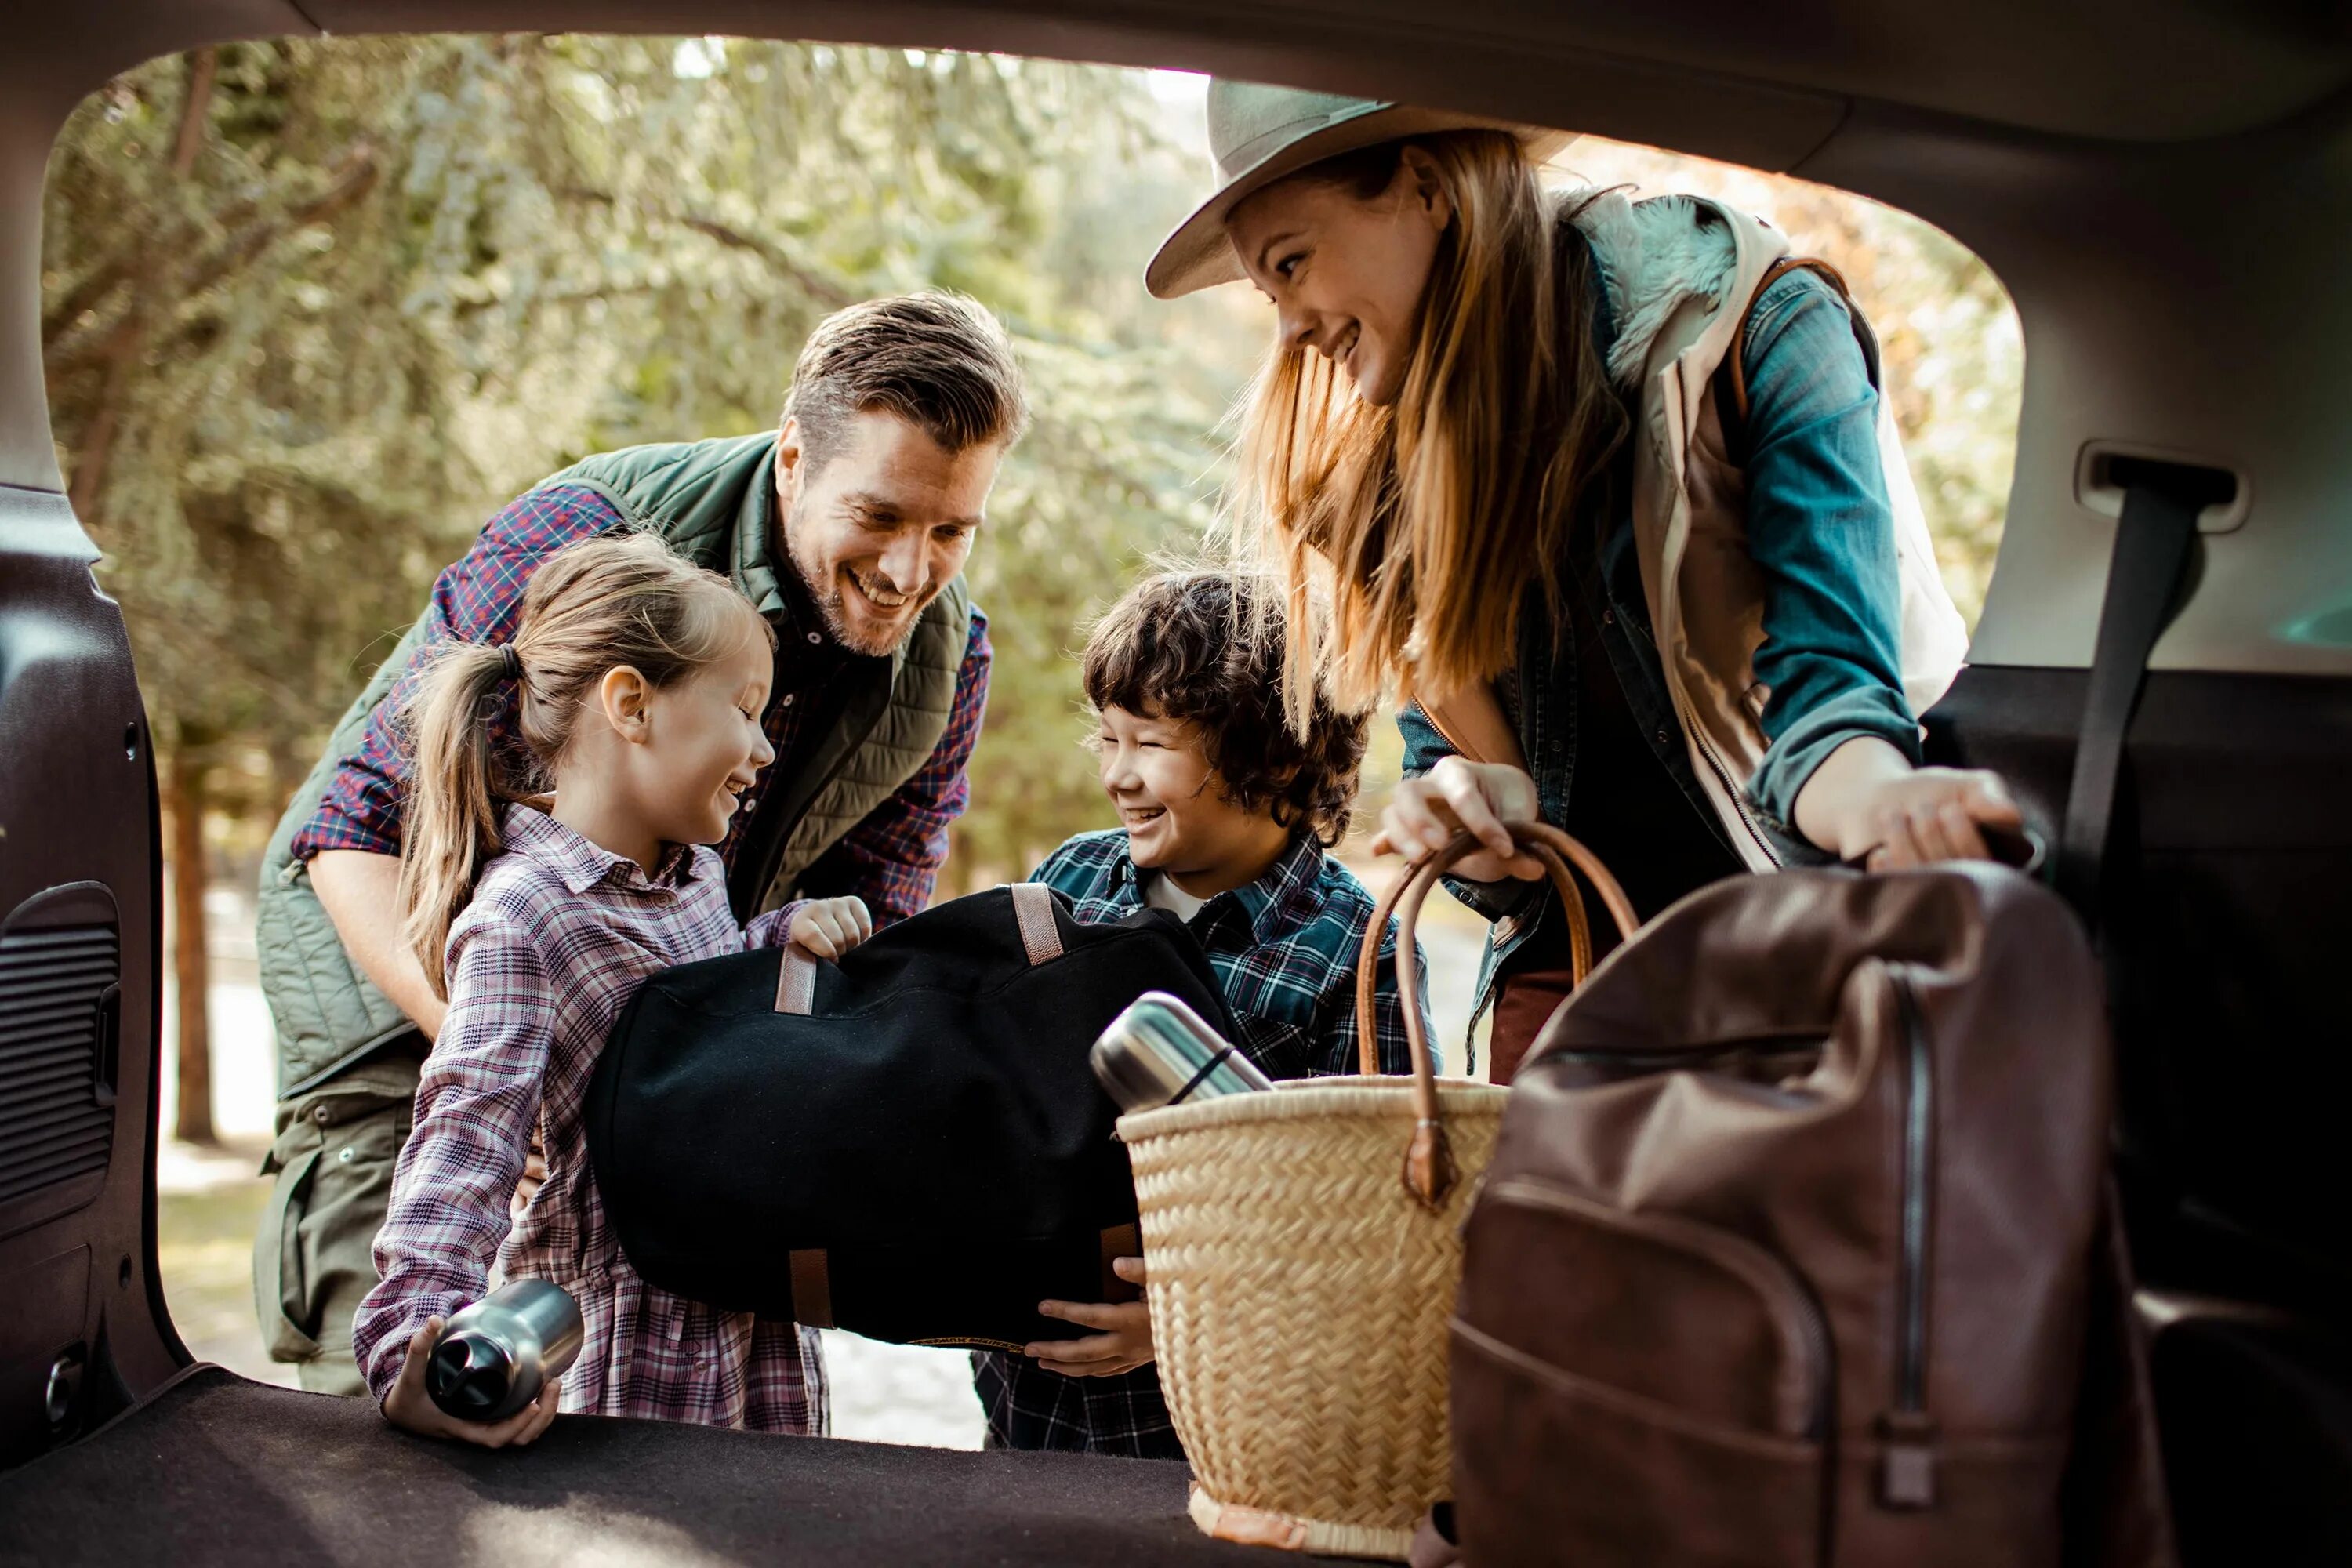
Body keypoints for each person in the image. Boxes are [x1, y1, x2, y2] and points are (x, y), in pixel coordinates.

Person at [1145, 82, 2023, 1074]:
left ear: (1427, 186)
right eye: (1272, 296)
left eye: (1293, 264)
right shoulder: (1385, 493)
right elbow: (1499, 837)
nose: (1292, 331)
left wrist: (1890, 808)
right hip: (1579, 1001)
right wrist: (1463, 810)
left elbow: (1837, 708)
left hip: (1802, 960)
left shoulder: (1758, 325)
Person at [252, 292, 1025, 1395]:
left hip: (649, 1038)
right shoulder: (587, 526)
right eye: (883, 516)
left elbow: (864, 953)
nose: (911, 570)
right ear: (795, 458)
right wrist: (527, 1080)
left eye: (953, 531)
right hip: (408, 990)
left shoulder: (949, 666)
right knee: (401, 1412)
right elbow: (352, 828)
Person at [350, 532, 870, 1444]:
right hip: (630, 1365)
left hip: (751, 1340)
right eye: (746, 710)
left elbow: (689, 1020)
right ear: (631, 703)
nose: (762, 748)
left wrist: (774, 944)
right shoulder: (526, 915)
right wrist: (411, 1350)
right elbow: (465, 1143)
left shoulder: (694, 877)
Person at [971, 568, 1433, 1459]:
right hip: (1023, 1412)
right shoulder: (1069, 879)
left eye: (1150, 742)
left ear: (1280, 753)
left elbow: (1369, 1226)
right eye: (1106, 737)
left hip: (1208, 1430)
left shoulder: (1357, 954)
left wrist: (1176, 1323)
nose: (1116, 773)